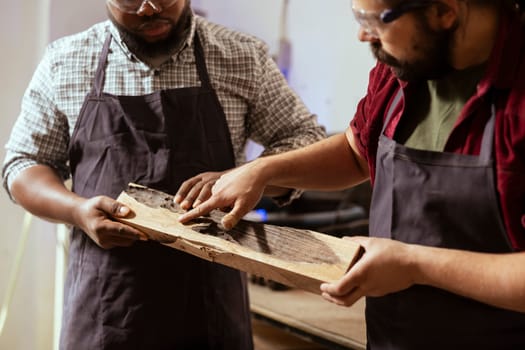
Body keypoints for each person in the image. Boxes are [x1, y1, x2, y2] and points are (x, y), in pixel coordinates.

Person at [178, 0, 525, 348]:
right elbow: (356, 151)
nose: (362, 35)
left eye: (373, 20)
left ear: (444, 11)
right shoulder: (403, 65)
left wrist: (414, 264)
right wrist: (264, 170)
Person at [1, 0, 326, 348]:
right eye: (131, 0)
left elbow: (305, 140)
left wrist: (251, 173)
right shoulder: (65, 61)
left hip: (210, 304)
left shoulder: (242, 56)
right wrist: (75, 211)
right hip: (105, 307)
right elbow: (23, 163)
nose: (149, 9)